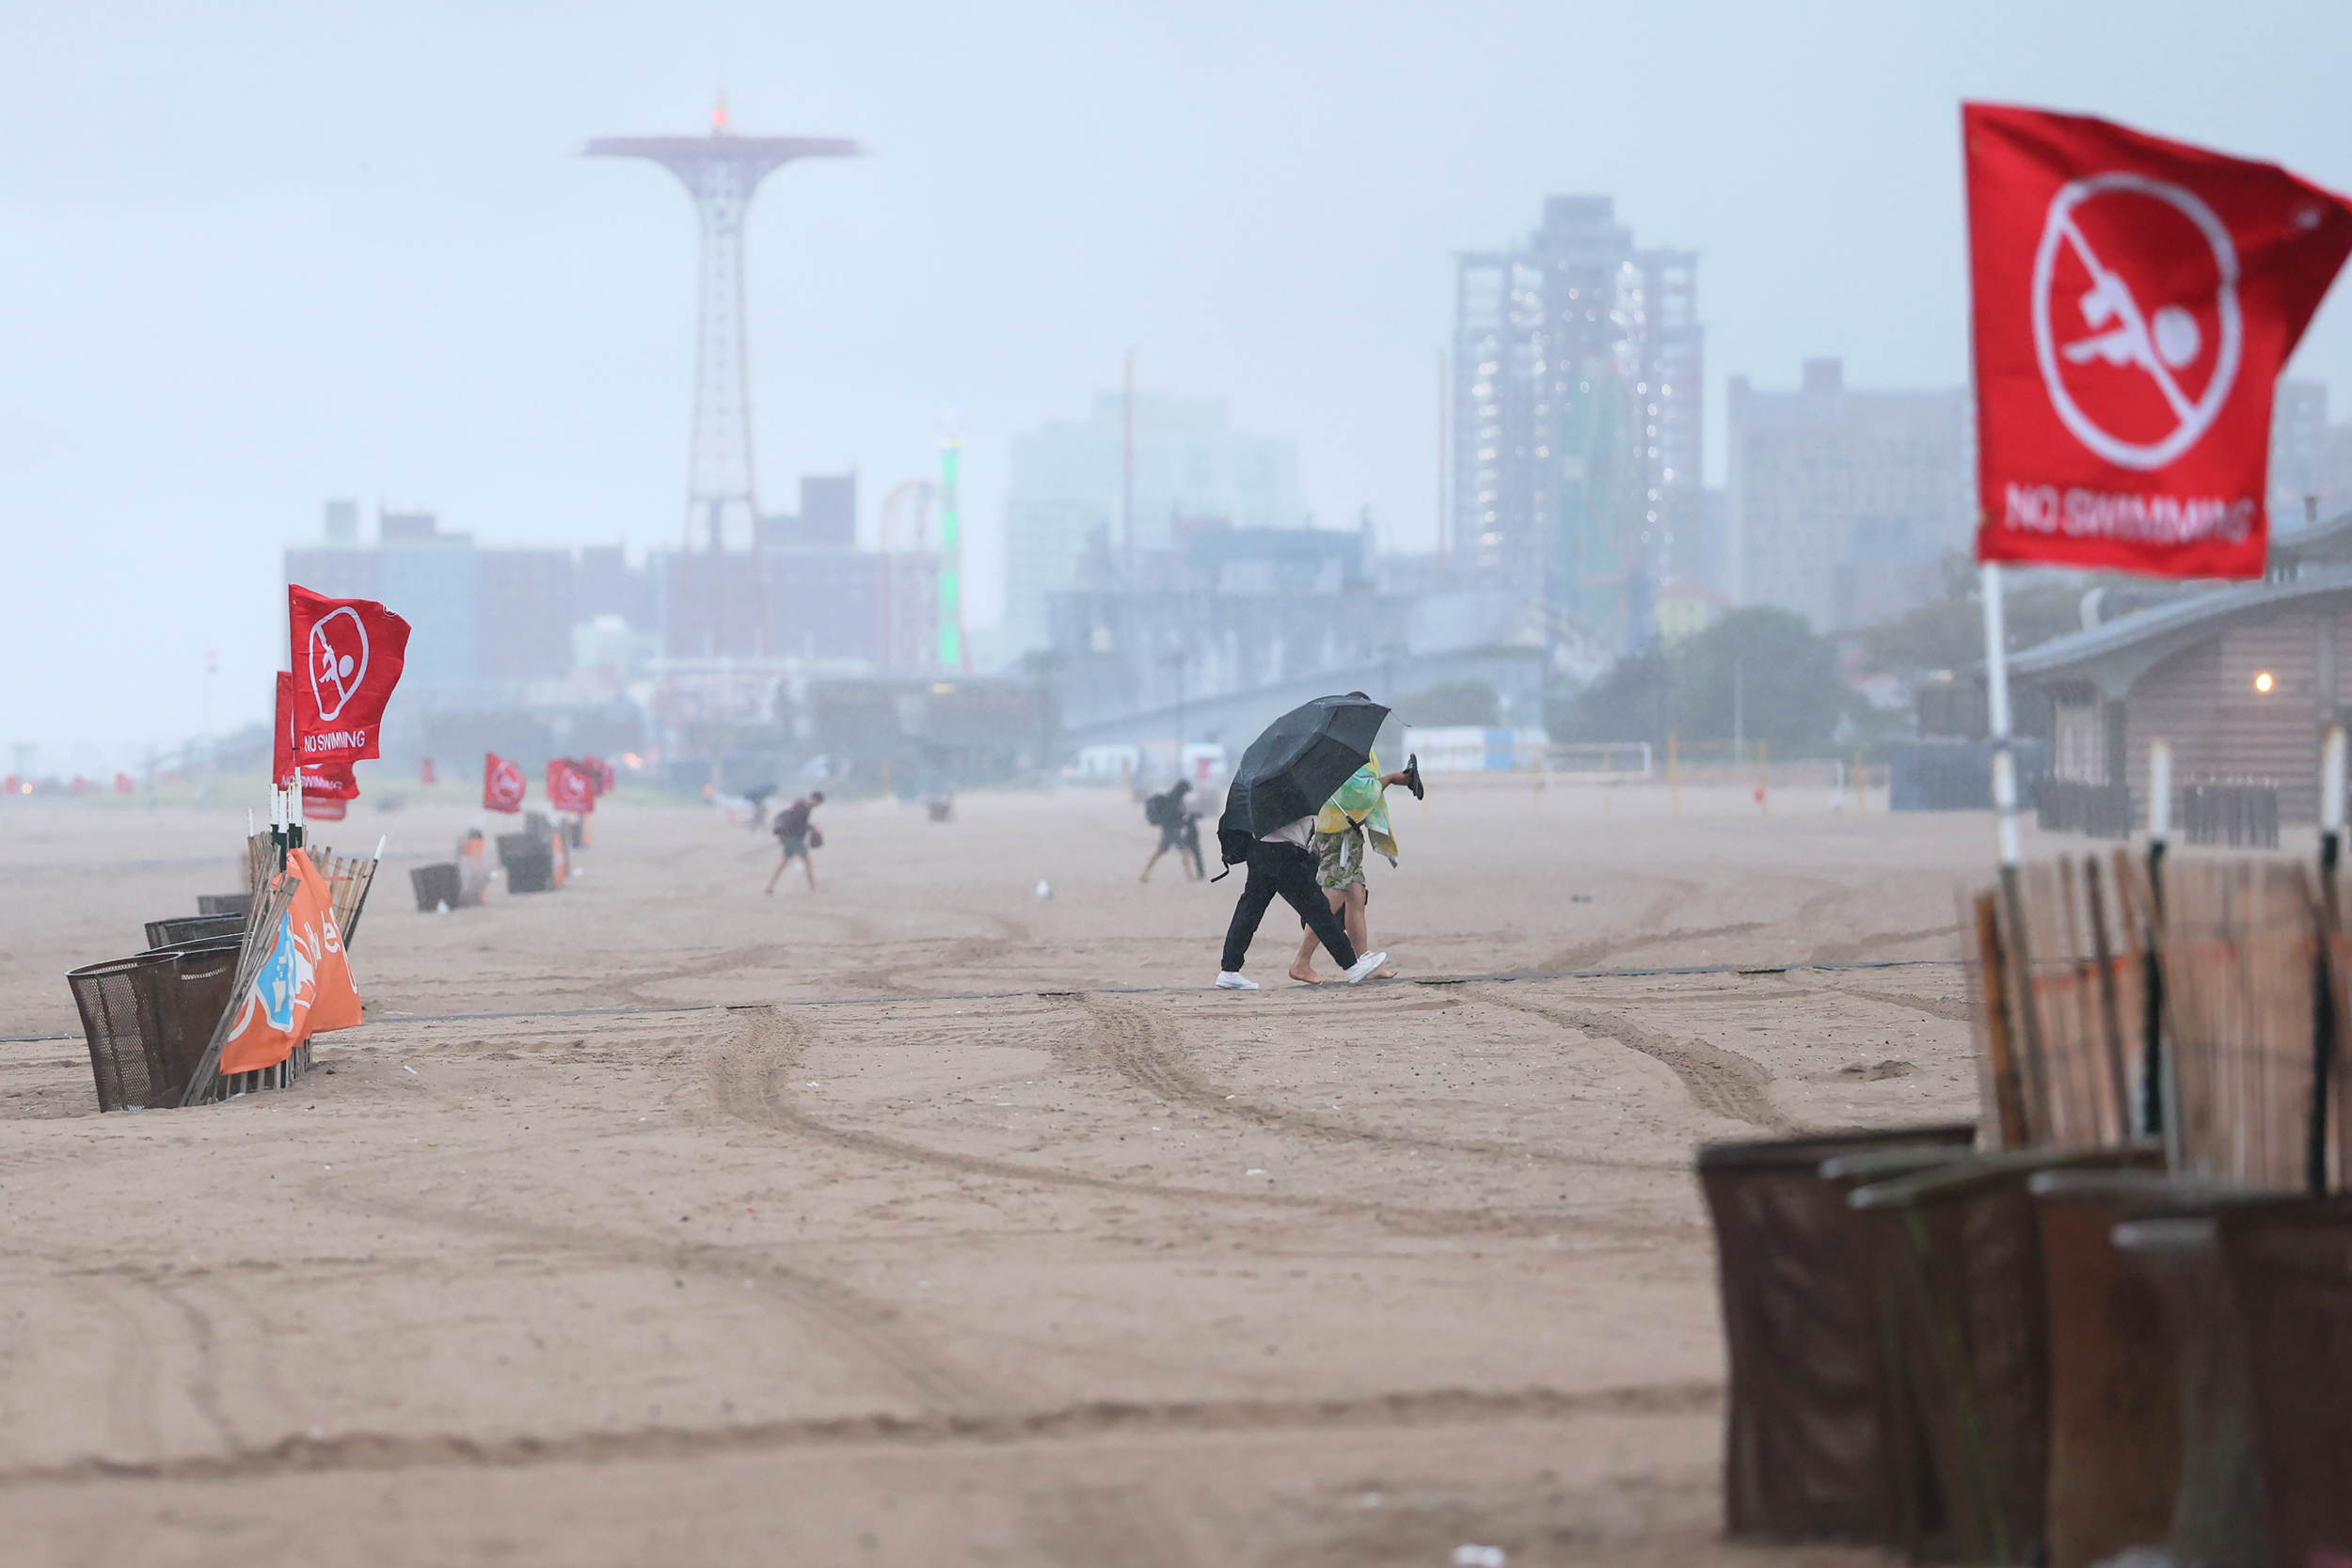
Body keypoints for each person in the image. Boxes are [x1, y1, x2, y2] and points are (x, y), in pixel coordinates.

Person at [1216, 809, 1386, 990]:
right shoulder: (1290, 791)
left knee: (1249, 912)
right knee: (1317, 910)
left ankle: (1229, 970)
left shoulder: (1260, 794)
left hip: (1259, 850)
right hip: (1285, 854)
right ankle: (1351, 965)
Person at [1289, 752, 1419, 983]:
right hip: (1339, 834)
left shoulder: (1332, 751)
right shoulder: (1339, 756)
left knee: (1356, 895)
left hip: (1341, 832)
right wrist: (1390, 779)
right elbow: (1357, 795)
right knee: (1332, 897)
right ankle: (1302, 961)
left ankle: (1364, 963)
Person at [1139, 779, 1200, 883]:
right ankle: (1190, 876)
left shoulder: (1170, 799)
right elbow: (1173, 817)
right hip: (1173, 832)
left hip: (1169, 831)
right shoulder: (1174, 802)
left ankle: (1145, 874)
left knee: (1159, 853)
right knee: (1184, 852)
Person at [765, 791, 825, 893]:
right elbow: (797, 824)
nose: (817, 806)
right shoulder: (803, 807)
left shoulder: (802, 806)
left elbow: (799, 823)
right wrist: (811, 828)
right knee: (807, 862)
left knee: (783, 862)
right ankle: (814, 889)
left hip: (790, 838)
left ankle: (770, 886)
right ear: (815, 799)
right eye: (818, 803)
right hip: (794, 839)